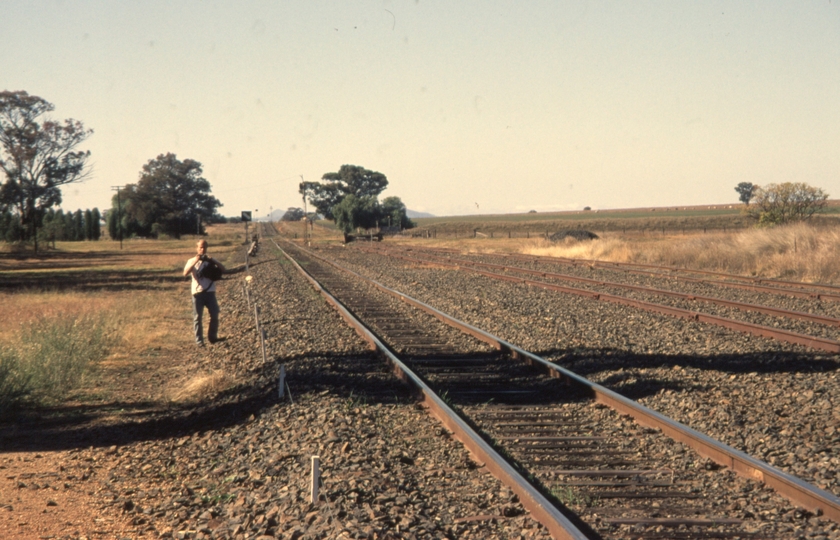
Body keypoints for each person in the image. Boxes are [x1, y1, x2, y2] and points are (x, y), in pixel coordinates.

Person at [183, 239, 226, 346]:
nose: (203, 249)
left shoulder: (210, 260)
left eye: (205, 247)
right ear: (197, 248)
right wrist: (196, 261)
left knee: (215, 314)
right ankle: (199, 341)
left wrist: (213, 261)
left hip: (210, 292)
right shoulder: (191, 260)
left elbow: (224, 269)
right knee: (197, 317)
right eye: (201, 247)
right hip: (197, 293)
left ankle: (213, 337)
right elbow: (185, 273)